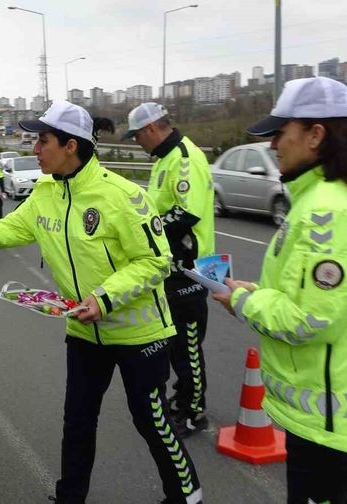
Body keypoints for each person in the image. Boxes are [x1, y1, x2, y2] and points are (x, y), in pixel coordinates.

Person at [0, 101, 203, 504]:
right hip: (83, 330)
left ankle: (186, 497)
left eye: (42, 141)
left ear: (71, 145)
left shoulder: (123, 196)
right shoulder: (45, 193)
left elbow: (155, 261)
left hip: (140, 333)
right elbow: (3, 230)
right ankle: (70, 497)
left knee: (152, 422)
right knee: (78, 422)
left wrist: (104, 299)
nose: (35, 149)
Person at [211, 77, 347, 504]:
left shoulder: (331, 213)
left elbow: (310, 318)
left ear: (316, 135)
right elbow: (306, 295)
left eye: (281, 132)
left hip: (329, 417)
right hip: (327, 411)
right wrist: (254, 290)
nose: (274, 143)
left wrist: (242, 300)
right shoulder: (330, 200)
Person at [124, 102, 215, 437]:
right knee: (174, 342)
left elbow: (185, 214)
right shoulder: (165, 158)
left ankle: (193, 412)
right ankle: (182, 399)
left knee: (188, 344)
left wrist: (147, 231)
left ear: (150, 129)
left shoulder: (184, 156)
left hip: (192, 268)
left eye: (137, 136)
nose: (137, 143)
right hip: (172, 267)